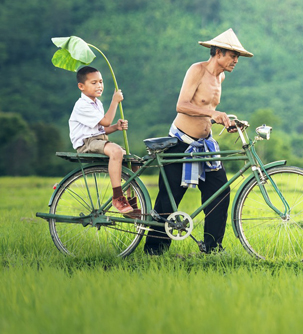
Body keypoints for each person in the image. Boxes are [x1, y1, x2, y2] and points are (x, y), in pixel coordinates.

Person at [144, 28, 253, 255]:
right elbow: (182, 105)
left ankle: (213, 248)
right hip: (181, 142)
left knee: (219, 192)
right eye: (233, 56)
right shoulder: (197, 70)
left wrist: (225, 120)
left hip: (205, 144)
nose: (236, 60)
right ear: (219, 53)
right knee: (168, 199)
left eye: (238, 57)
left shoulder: (220, 77)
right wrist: (212, 114)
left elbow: (208, 111)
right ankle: (154, 251)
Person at [69, 65, 135, 214]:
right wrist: (115, 102)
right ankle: (118, 196)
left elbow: (102, 129)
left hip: (98, 140)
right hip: (87, 143)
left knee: (133, 161)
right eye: (94, 83)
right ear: (81, 86)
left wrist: (116, 127)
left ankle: (132, 199)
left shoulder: (97, 103)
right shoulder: (82, 105)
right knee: (117, 151)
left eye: (101, 82)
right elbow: (105, 121)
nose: (99, 86)